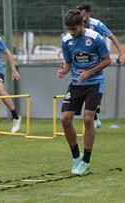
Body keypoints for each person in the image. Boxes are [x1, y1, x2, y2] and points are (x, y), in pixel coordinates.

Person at [58, 10, 111, 175]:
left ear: (82, 25)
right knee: (65, 119)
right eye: (69, 29)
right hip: (76, 84)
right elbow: (68, 62)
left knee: (88, 119)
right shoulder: (66, 40)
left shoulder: (95, 38)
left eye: (74, 29)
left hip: (94, 83)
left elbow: (107, 60)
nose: (71, 33)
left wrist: (89, 72)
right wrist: (63, 71)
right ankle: (76, 157)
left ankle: (86, 161)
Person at [77, 3, 125, 128]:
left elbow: (112, 37)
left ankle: (95, 109)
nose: (81, 17)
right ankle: (95, 117)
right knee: (82, 83)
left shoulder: (97, 24)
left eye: (83, 14)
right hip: (84, 59)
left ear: (88, 13)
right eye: (79, 15)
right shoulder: (77, 24)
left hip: (98, 57)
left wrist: (121, 53)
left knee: (94, 81)